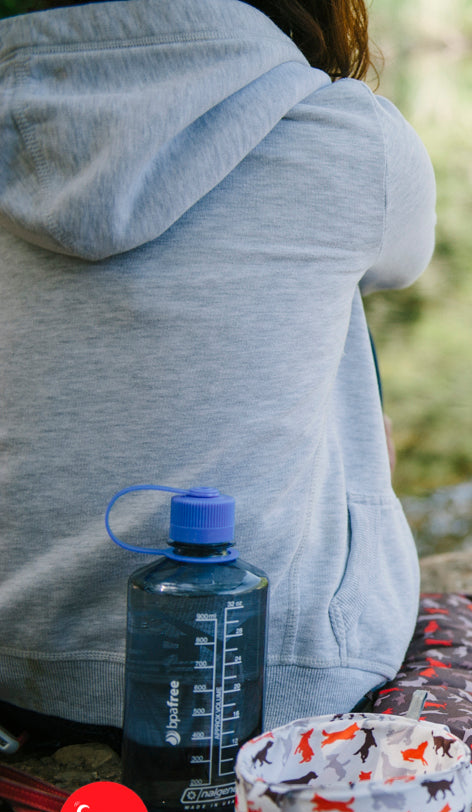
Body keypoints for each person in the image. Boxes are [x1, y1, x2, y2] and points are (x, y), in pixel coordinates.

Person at [0, 0, 434, 743]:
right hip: (266, 671)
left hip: (13, 661)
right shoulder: (351, 133)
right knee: (336, 312)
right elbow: (403, 263)